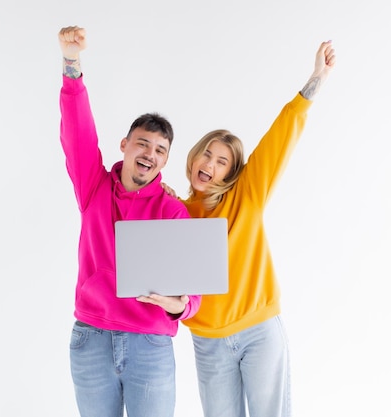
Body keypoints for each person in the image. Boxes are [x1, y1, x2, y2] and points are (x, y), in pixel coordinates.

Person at [169, 41, 336, 417]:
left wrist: (316, 80)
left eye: (222, 161)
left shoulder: (247, 196)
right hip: (208, 341)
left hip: (259, 332)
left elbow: (280, 137)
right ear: (193, 156)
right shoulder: (175, 213)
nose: (210, 164)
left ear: (232, 172)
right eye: (206, 153)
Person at [57, 25, 202, 417]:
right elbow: (77, 136)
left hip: (149, 347)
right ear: (125, 145)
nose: (149, 154)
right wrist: (71, 65)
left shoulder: (173, 211)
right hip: (91, 338)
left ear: (165, 160)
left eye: (159, 150)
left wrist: (181, 305)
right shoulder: (94, 187)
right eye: (142, 143)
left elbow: (195, 290)